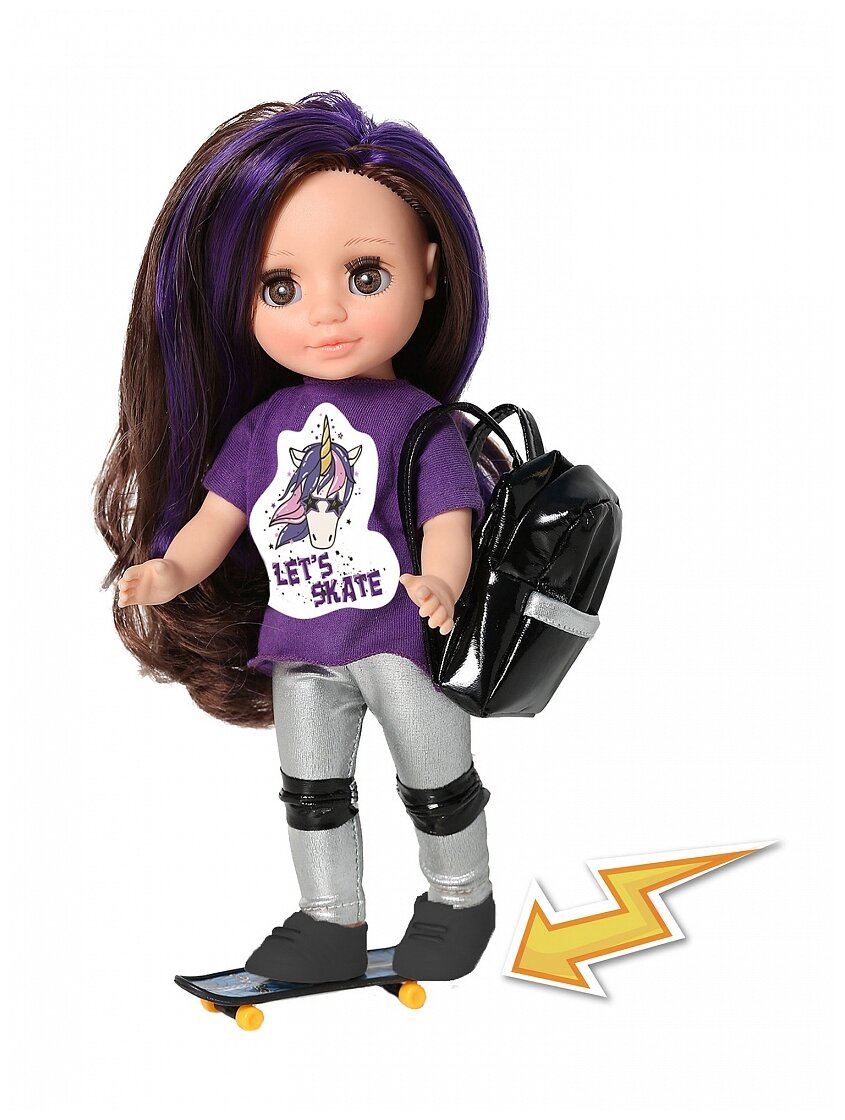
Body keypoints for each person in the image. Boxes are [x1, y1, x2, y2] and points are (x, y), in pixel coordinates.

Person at [95, 91, 498, 984]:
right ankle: (329, 920)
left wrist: (441, 583)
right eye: (281, 287)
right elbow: (217, 522)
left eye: (365, 275)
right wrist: (169, 572)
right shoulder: (263, 428)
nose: (325, 314)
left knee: (435, 784)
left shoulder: (419, 422)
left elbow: (448, 520)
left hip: (400, 641)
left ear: (429, 273)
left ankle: (459, 899)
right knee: (312, 795)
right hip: (303, 647)